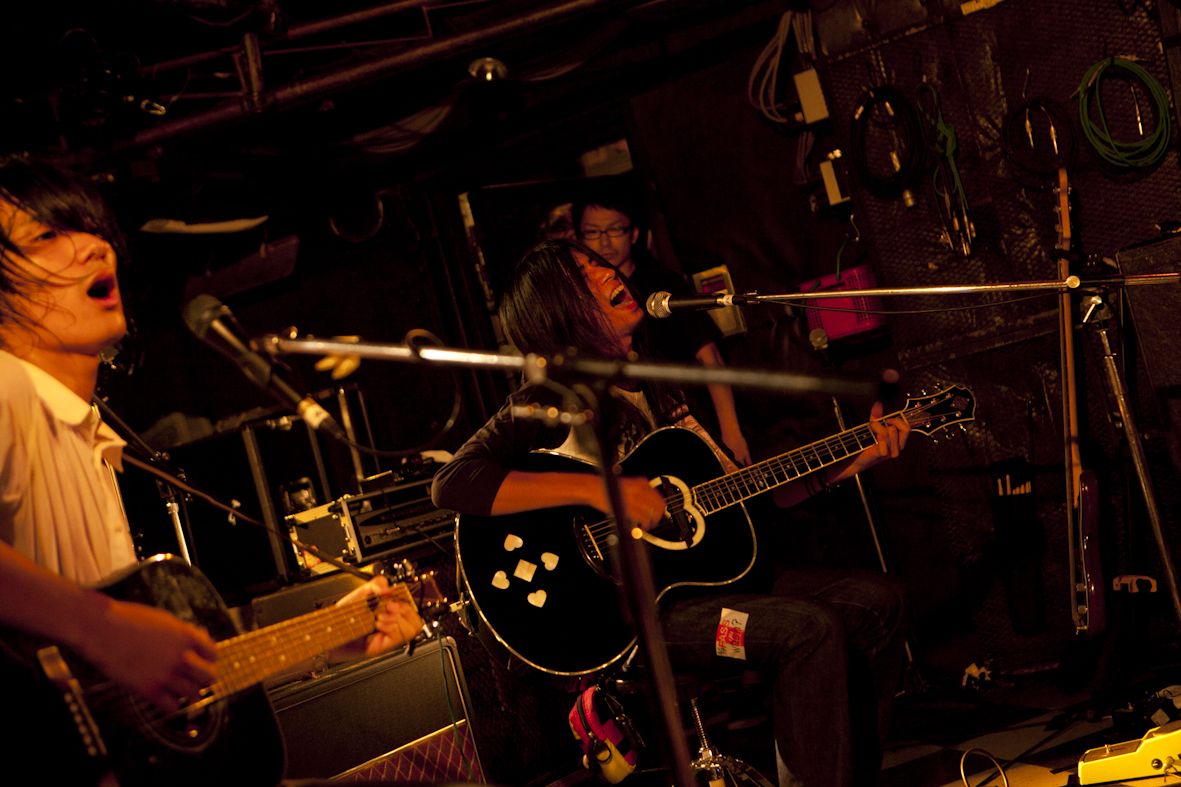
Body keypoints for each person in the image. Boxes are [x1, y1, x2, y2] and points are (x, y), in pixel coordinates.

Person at [432, 239, 909, 787]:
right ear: (559, 311)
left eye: (602, 265)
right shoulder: (549, 397)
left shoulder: (665, 378)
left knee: (879, 603)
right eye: (586, 275)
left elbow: (748, 496)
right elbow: (452, 483)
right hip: (632, 621)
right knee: (806, 630)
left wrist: (851, 462)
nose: (610, 274)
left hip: (710, 582)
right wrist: (605, 493)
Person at [0, 156, 422, 769]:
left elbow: (124, 700)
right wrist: (103, 626)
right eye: (47, 236)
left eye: (93, 229)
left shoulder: (85, 439)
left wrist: (324, 642)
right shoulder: (8, 390)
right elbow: (107, 642)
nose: (94, 246)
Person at [574, 188, 753, 466]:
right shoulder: (585, 301)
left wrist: (731, 431)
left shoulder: (662, 284)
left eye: (614, 230)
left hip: (696, 418)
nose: (604, 241)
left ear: (633, 234)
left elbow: (710, 357)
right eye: (593, 232)